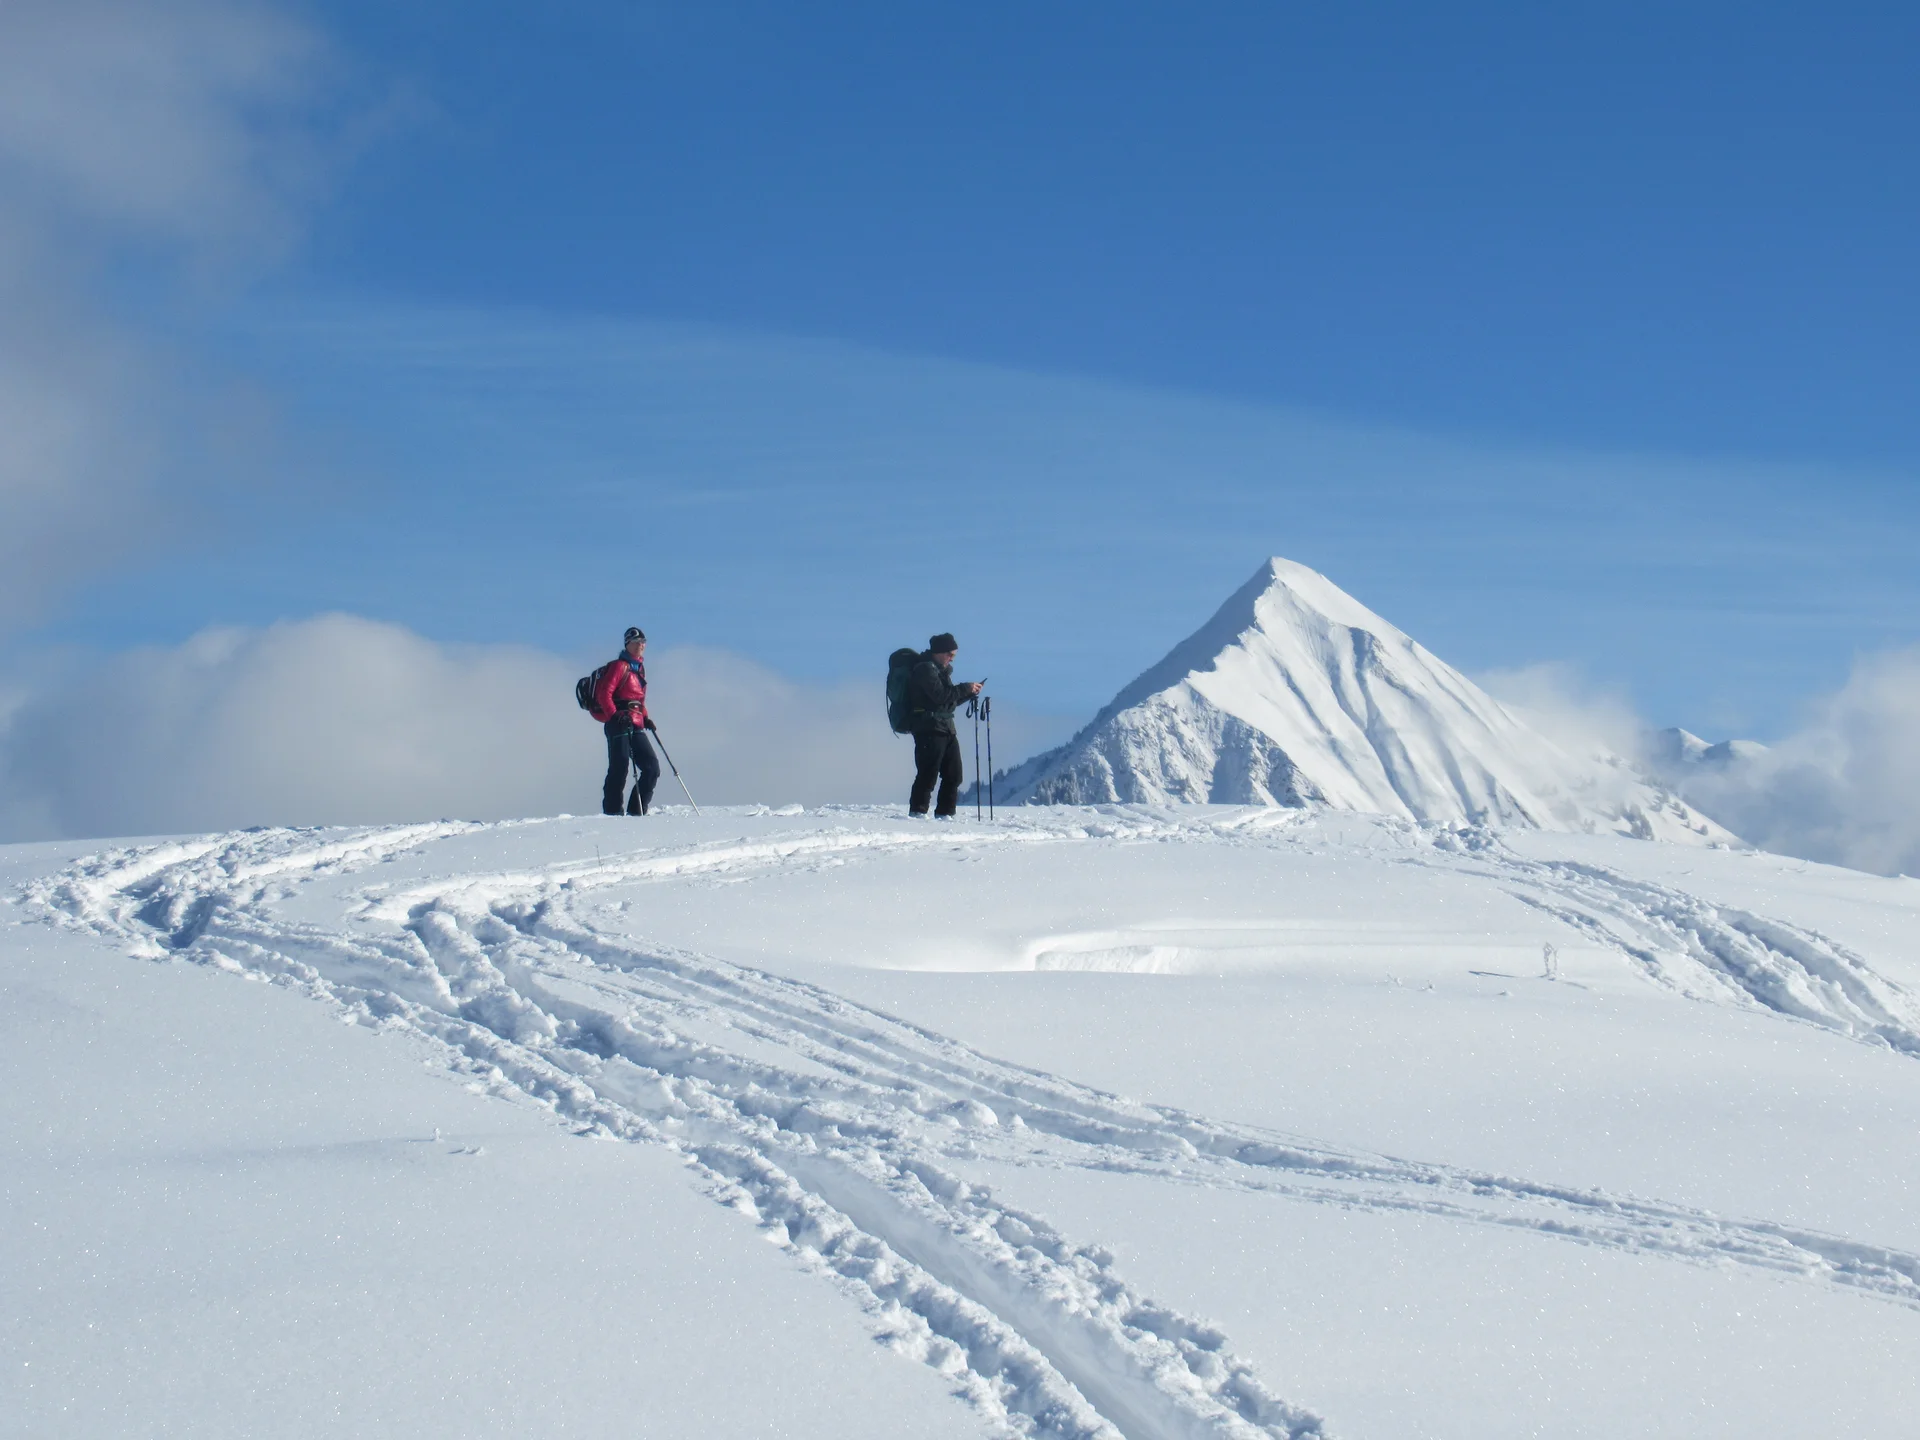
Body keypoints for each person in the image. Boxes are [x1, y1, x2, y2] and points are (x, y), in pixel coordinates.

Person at [905, 632, 982, 819]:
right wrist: (965, 688)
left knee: (954, 775)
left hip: (946, 728)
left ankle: (945, 816)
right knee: (928, 773)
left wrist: (968, 694)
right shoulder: (925, 669)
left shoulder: (940, 671)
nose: (952, 659)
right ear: (939, 652)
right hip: (928, 728)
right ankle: (917, 813)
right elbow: (940, 696)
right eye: (950, 654)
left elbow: (947, 702)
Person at [592, 627, 662, 816]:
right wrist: (615, 715)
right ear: (628, 644)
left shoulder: (639, 669)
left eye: (643, 641)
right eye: (637, 641)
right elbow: (603, 694)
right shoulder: (619, 666)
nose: (642, 645)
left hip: (635, 723)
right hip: (618, 723)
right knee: (620, 767)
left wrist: (645, 717)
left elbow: (639, 700)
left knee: (652, 768)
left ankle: (636, 811)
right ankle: (613, 813)